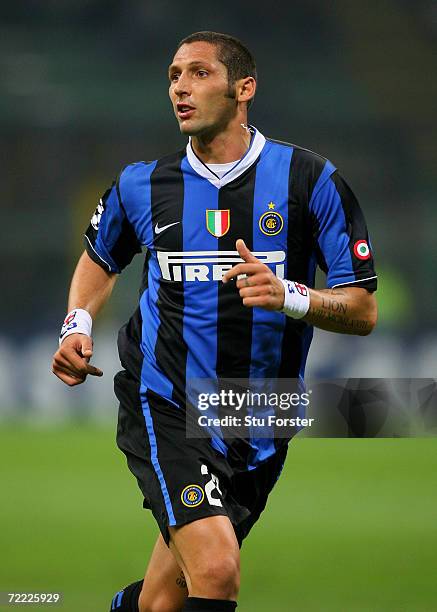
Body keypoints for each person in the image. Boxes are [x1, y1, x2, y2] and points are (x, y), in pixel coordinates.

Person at [52, 31, 377, 612]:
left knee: (162, 602)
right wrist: (76, 324)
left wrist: (290, 297)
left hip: (259, 412)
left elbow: (363, 310)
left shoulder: (309, 180)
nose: (180, 87)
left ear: (243, 88)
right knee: (219, 570)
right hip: (167, 400)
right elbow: (100, 259)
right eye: (174, 75)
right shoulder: (142, 185)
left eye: (199, 73)